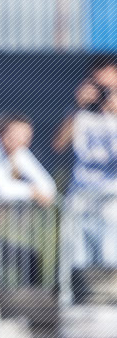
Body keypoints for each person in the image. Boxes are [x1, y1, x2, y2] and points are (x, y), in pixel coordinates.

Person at [53, 58, 117, 268]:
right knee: (77, 263)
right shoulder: (80, 113)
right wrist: (77, 107)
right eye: (99, 86)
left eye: (109, 87)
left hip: (112, 201)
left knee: (109, 261)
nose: (104, 92)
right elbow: (58, 145)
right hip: (80, 198)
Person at [0, 115, 55, 206]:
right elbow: (1, 189)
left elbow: (48, 187)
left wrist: (33, 192)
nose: (20, 139)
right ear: (1, 132)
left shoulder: (19, 151)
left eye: (25, 135)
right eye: (15, 134)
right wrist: (32, 191)